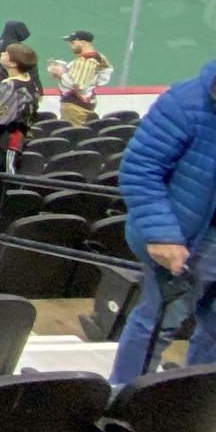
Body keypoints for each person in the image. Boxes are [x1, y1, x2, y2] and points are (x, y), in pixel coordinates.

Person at [107, 58, 216, 383]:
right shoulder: (184, 102)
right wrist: (163, 235)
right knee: (157, 324)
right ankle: (125, 398)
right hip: (188, 239)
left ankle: (200, 401)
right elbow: (140, 170)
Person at [0, 42, 39, 172]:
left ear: (13, 63)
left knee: (4, 173)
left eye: (6, 54)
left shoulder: (9, 86)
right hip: (16, 136)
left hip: (6, 141)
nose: (2, 54)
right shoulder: (30, 82)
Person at [48, 31, 111, 126]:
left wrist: (61, 73)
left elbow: (79, 85)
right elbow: (104, 76)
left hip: (75, 106)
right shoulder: (100, 57)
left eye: (72, 42)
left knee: (73, 132)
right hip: (88, 101)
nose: (70, 45)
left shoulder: (84, 61)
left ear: (82, 42)